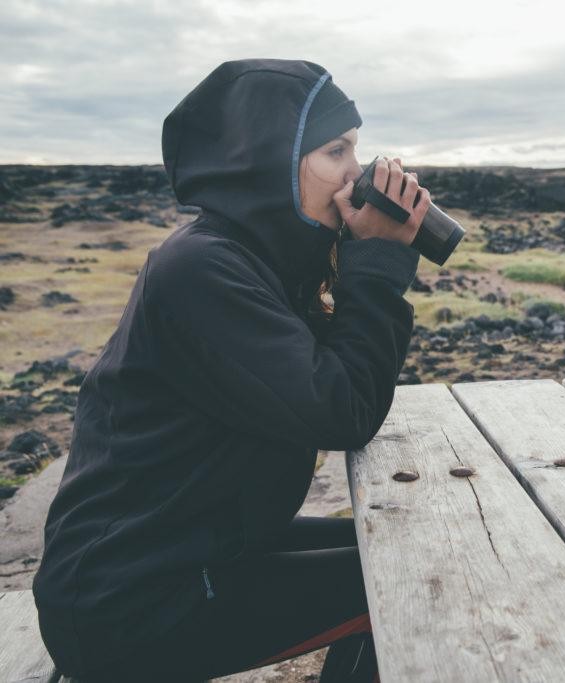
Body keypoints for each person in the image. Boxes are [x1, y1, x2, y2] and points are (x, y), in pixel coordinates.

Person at [31, 58, 429, 682]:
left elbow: (339, 376)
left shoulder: (258, 260)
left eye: (355, 148)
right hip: (131, 601)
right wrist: (375, 258)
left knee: (410, 548)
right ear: (266, 159)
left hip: (202, 540)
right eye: (335, 150)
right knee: (411, 585)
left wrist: (355, 253)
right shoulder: (202, 269)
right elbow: (344, 407)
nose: (358, 172)